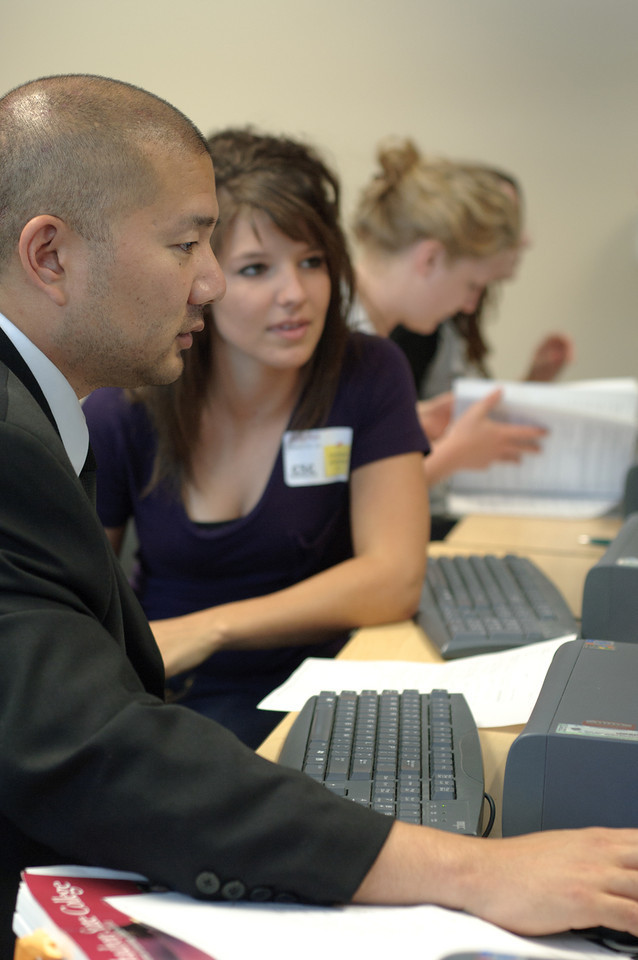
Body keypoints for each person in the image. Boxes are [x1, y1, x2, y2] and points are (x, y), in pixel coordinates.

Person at [2, 74, 638, 959]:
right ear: (49, 255)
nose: (215, 282)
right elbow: (99, 750)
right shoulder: (36, 438)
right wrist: (473, 871)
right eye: (191, 245)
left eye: (301, 262)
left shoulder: (47, 415)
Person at [83, 128, 429, 748]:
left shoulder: (369, 372)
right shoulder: (125, 405)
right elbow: (75, 602)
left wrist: (209, 629)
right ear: (203, 277)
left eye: (312, 262)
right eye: (255, 269)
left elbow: (394, 577)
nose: (294, 294)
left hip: (327, 693)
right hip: (170, 700)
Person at [350, 140, 552, 495]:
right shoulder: (336, 335)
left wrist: (415, 419)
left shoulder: (368, 335)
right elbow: (337, 505)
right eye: (472, 285)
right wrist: (454, 454)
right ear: (429, 259)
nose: (471, 305)